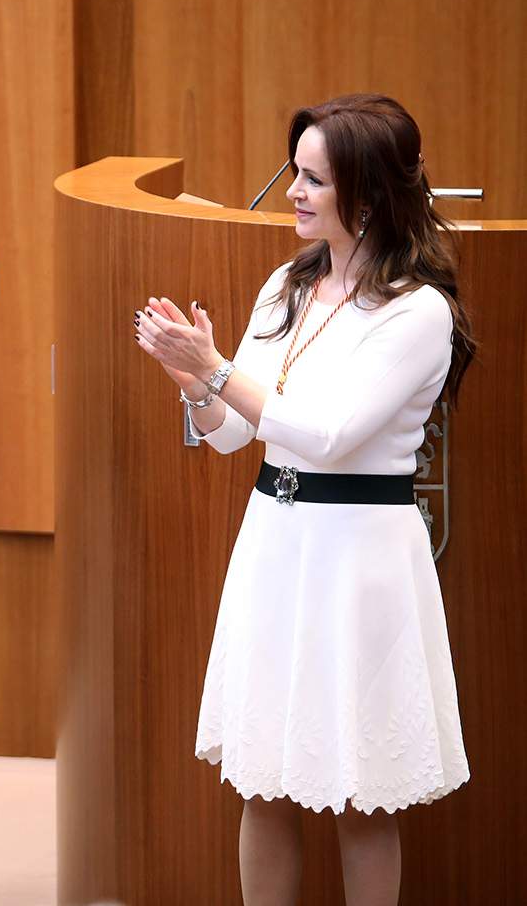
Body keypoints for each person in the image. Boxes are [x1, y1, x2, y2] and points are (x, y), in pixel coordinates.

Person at [134, 94, 473, 906]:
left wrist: (217, 370)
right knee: (263, 778)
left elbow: (327, 435)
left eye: (314, 179)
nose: (294, 192)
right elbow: (230, 434)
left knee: (362, 793)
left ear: (369, 193)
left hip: (358, 558)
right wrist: (193, 383)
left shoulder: (417, 309)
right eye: (296, 173)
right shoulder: (288, 281)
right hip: (275, 545)